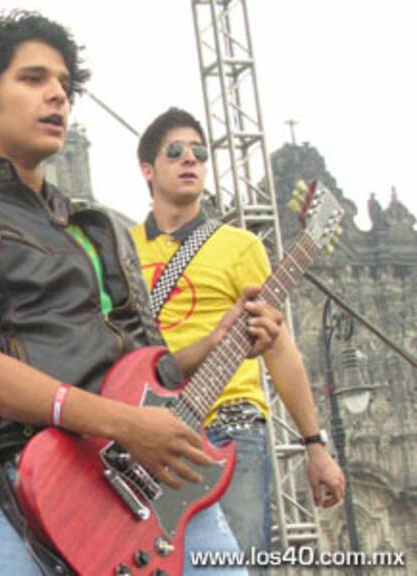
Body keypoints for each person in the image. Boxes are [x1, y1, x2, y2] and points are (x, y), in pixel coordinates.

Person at [0, 14, 283, 575]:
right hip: (47, 499)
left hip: (166, 494)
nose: (57, 95)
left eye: (64, 84)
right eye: (33, 79)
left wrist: (215, 345)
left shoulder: (99, 227)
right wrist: (123, 425)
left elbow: (147, 366)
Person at [130, 107, 346, 557]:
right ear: (148, 169)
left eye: (200, 153)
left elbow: (279, 348)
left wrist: (314, 445)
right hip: (147, 427)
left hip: (230, 424)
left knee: (235, 561)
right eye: (176, 151)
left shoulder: (240, 246)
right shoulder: (122, 247)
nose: (190, 159)